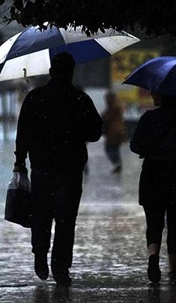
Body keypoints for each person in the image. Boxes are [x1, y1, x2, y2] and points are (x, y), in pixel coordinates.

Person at [13, 51, 103, 286]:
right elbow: (95, 132)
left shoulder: (35, 98)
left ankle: (40, 256)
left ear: (51, 71)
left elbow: (23, 133)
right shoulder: (80, 99)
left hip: (41, 168)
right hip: (70, 171)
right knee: (65, 220)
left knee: (41, 215)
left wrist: (20, 160)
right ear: (71, 72)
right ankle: (60, 267)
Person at [129, 92, 176, 285]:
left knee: (153, 222)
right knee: (175, 223)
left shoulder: (148, 118)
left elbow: (134, 145)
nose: (152, 93)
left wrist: (151, 149)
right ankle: (173, 269)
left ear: (163, 96)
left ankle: (153, 255)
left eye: (156, 92)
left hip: (152, 175)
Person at [101, 90, 127, 174]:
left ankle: (117, 164)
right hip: (119, 130)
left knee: (109, 148)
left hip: (114, 131)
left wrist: (103, 115)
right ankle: (118, 164)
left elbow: (108, 116)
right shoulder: (117, 105)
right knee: (115, 149)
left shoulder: (113, 106)